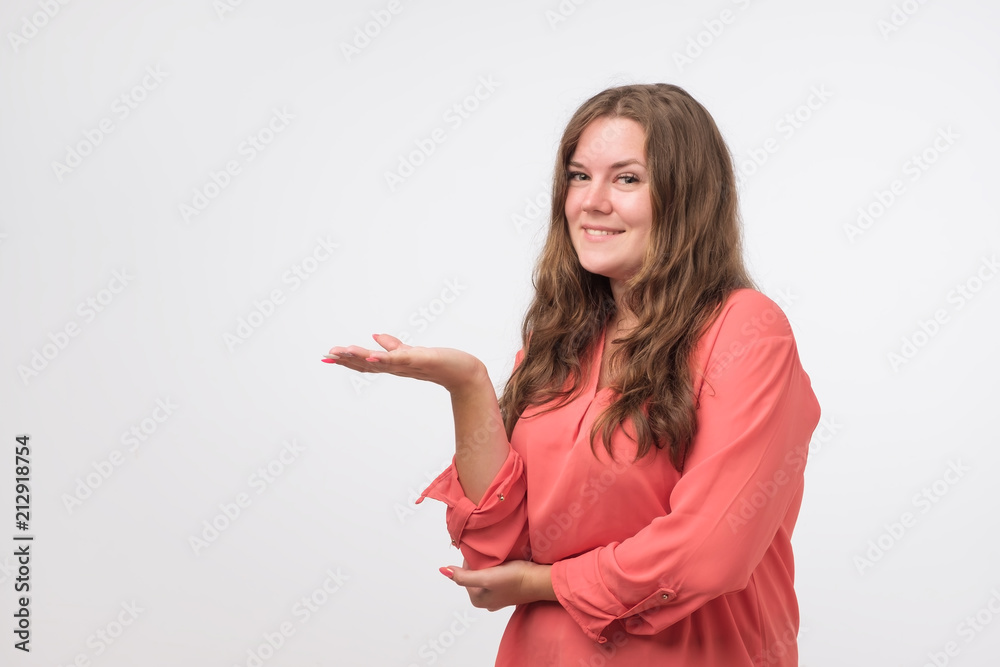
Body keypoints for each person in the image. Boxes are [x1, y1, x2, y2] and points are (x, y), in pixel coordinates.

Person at [322, 83, 821, 666]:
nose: (592, 201)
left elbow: (709, 552)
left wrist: (543, 583)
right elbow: (495, 553)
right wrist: (467, 386)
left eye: (627, 179)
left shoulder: (746, 329)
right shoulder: (560, 337)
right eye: (579, 176)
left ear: (688, 196)